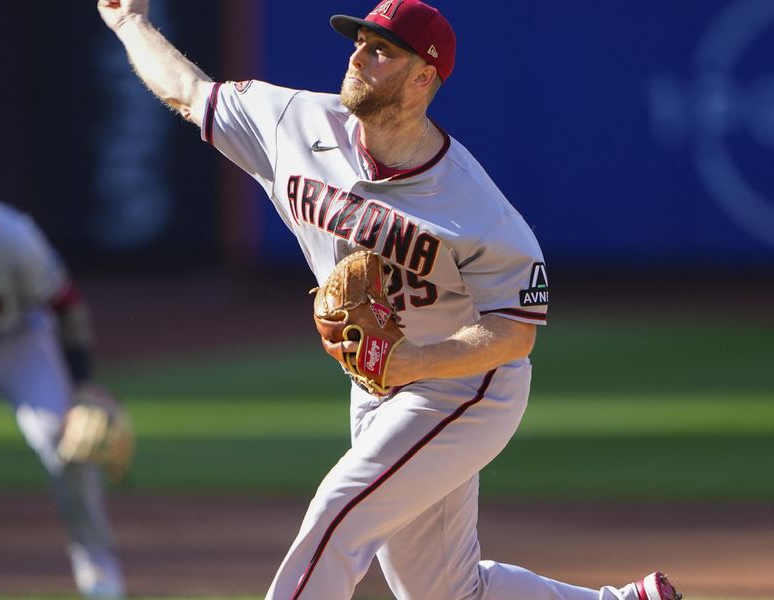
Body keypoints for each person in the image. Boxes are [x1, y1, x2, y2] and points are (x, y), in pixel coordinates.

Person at [97, 1, 682, 599]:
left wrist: (414, 363)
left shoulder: (477, 209)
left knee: (339, 512)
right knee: (443, 592)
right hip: (377, 386)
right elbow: (189, 92)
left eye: (380, 51)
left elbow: (515, 331)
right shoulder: (292, 123)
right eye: (358, 43)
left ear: (424, 76)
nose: (357, 57)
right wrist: (130, 24)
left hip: (466, 386)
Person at [0, 194, 126, 599]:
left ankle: (96, 562)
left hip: (14, 343)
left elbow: (67, 305)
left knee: (62, 437)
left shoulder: (6, 234)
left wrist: (82, 386)